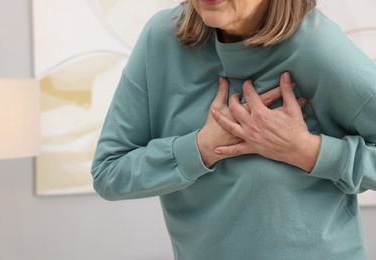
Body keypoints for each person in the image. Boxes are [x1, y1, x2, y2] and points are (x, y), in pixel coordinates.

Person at [91, 0, 376, 259]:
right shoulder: (162, 39)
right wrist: (201, 148)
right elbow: (109, 172)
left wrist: (308, 151)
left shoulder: (318, 48)